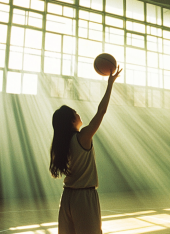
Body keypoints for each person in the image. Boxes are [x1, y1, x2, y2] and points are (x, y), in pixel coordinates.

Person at [49, 66, 122, 234]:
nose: (78, 113)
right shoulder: (82, 137)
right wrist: (110, 84)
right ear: (71, 120)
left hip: (67, 197)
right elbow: (101, 112)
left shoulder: (61, 143)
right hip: (84, 198)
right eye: (75, 112)